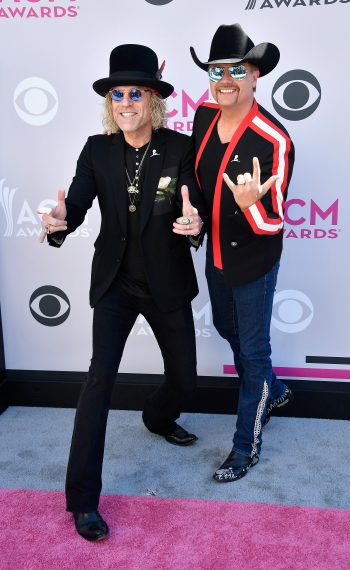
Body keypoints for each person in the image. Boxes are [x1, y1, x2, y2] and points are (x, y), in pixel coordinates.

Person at [38, 44, 205, 541]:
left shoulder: (180, 148)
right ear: (109, 102)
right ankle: (83, 500)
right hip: (114, 283)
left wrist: (194, 226)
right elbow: (78, 205)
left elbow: (194, 212)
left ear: (152, 100)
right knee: (98, 384)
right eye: (117, 94)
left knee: (186, 380)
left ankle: (157, 416)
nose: (126, 102)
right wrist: (59, 223)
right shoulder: (96, 149)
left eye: (136, 93)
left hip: (166, 281)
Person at [190, 24, 295, 482]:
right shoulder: (203, 116)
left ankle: (244, 448)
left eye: (237, 69)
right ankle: (273, 391)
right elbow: (194, 183)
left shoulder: (275, 139)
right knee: (224, 324)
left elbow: (274, 222)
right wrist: (191, 218)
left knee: (252, 352)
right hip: (215, 251)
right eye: (217, 70)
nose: (225, 78)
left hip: (255, 257)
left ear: (255, 76)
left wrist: (252, 206)